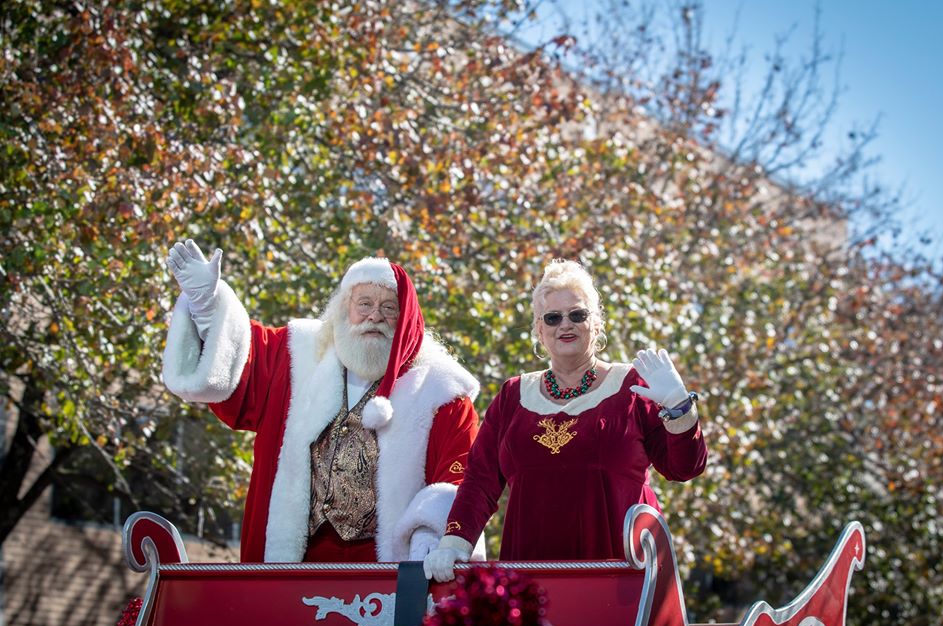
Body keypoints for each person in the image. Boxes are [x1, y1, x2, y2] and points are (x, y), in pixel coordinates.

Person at [161, 239, 485, 563]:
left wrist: (433, 534)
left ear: (406, 321)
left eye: (389, 308)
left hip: (381, 578)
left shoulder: (439, 394)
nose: (375, 316)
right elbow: (238, 361)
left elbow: (462, 480)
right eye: (364, 304)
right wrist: (207, 306)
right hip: (295, 568)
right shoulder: (296, 357)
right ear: (345, 310)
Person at [423, 259, 708, 581]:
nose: (565, 325)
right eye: (553, 318)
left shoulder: (633, 387)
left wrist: (680, 407)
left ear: (596, 324)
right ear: (539, 330)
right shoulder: (513, 396)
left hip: (622, 575)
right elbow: (480, 480)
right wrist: (455, 541)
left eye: (577, 315)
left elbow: (684, 468)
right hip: (529, 576)